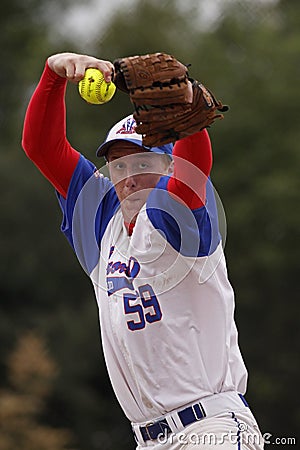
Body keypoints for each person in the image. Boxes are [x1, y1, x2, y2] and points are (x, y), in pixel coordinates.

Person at [22, 52, 264, 449]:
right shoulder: (104, 223)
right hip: (148, 438)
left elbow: (195, 164)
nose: (129, 177)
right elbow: (42, 148)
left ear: (170, 167)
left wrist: (181, 107)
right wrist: (52, 76)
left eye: (144, 161)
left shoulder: (177, 218)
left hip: (211, 428)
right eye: (118, 164)